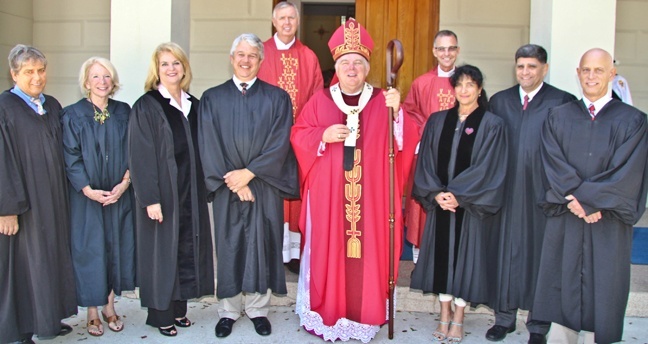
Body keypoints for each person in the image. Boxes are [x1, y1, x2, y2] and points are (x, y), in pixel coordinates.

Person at [291, 18, 407, 343]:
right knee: (330, 253)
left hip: (369, 204)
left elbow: (405, 144)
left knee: (366, 258)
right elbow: (298, 136)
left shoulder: (384, 101)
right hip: (329, 204)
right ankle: (327, 316)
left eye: (358, 62)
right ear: (336, 67)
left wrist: (398, 115)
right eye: (345, 63)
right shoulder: (320, 101)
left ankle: (364, 317)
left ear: (367, 67)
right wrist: (322, 134)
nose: (352, 68)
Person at [533, 48, 648, 344]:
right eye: (586, 70)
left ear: (612, 73)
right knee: (561, 280)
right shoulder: (557, 117)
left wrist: (590, 201)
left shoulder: (633, 120)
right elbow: (551, 162)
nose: (591, 76)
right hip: (567, 216)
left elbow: (628, 171)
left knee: (605, 284)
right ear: (578, 73)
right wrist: (578, 199)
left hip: (606, 220)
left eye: (599, 70)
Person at [199, 33, 298, 339]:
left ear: (260, 61)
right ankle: (228, 311)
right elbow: (208, 143)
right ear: (231, 59)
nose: (245, 60)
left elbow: (280, 143)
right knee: (229, 247)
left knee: (262, 245)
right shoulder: (212, 98)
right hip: (229, 187)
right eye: (240, 55)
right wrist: (233, 178)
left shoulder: (277, 98)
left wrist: (250, 173)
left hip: (263, 186)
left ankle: (257, 309)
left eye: (251, 56)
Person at [410, 65, 508, 343]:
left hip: (469, 207)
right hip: (441, 204)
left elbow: (489, 168)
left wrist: (458, 195)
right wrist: (435, 193)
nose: (464, 90)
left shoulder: (492, 124)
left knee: (466, 263)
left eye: (470, 84)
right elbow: (425, 162)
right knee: (442, 261)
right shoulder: (437, 120)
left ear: (479, 88)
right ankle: (443, 313)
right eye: (459, 85)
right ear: (452, 89)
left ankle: (459, 317)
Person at [486, 44, 576, 344]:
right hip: (506, 192)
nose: (525, 72)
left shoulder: (562, 103)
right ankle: (504, 318)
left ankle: (538, 325)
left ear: (544, 69)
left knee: (541, 258)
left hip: (543, 195)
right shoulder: (500, 101)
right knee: (504, 255)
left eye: (532, 67)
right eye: (521, 66)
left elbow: (569, 152)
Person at [128, 42, 214, 337]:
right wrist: (150, 198)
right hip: (163, 194)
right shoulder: (148, 105)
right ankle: (160, 313)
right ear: (157, 69)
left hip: (190, 191)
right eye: (165, 64)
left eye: (176, 63)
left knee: (186, 247)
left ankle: (179, 310)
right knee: (162, 252)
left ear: (184, 68)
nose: (171, 69)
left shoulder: (194, 103)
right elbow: (140, 155)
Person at [0, 44, 77, 343]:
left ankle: (47, 320)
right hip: (24, 204)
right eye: (29, 72)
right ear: (14, 74)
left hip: (53, 200)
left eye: (41, 71)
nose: (37, 77)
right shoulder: (5, 108)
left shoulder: (52, 105)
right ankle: (18, 331)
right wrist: (7, 208)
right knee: (23, 267)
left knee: (49, 260)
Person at [62, 57, 136, 337]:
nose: (102, 82)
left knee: (116, 248)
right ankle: (92, 312)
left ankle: (110, 306)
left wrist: (125, 183)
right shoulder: (72, 115)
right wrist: (86, 189)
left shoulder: (124, 112)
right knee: (91, 251)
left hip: (118, 195)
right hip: (86, 198)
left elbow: (133, 150)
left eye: (106, 77)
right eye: (95, 77)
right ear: (86, 82)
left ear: (113, 81)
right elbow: (71, 155)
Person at [257, 0, 324, 269]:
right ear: (274, 21)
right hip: (266, 139)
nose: (287, 23)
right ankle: (270, 251)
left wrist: (308, 132)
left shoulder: (308, 56)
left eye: (291, 19)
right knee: (269, 193)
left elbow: (317, 96)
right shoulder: (259, 52)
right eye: (282, 18)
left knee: (296, 194)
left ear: (297, 22)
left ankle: (295, 254)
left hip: (299, 140)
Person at [403, 30, 460, 262]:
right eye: (442, 49)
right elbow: (409, 115)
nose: (446, 53)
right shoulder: (421, 83)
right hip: (427, 156)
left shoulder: (466, 82)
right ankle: (421, 261)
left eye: (451, 48)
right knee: (423, 208)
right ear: (434, 51)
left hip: (458, 157)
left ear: (457, 51)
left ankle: (450, 260)